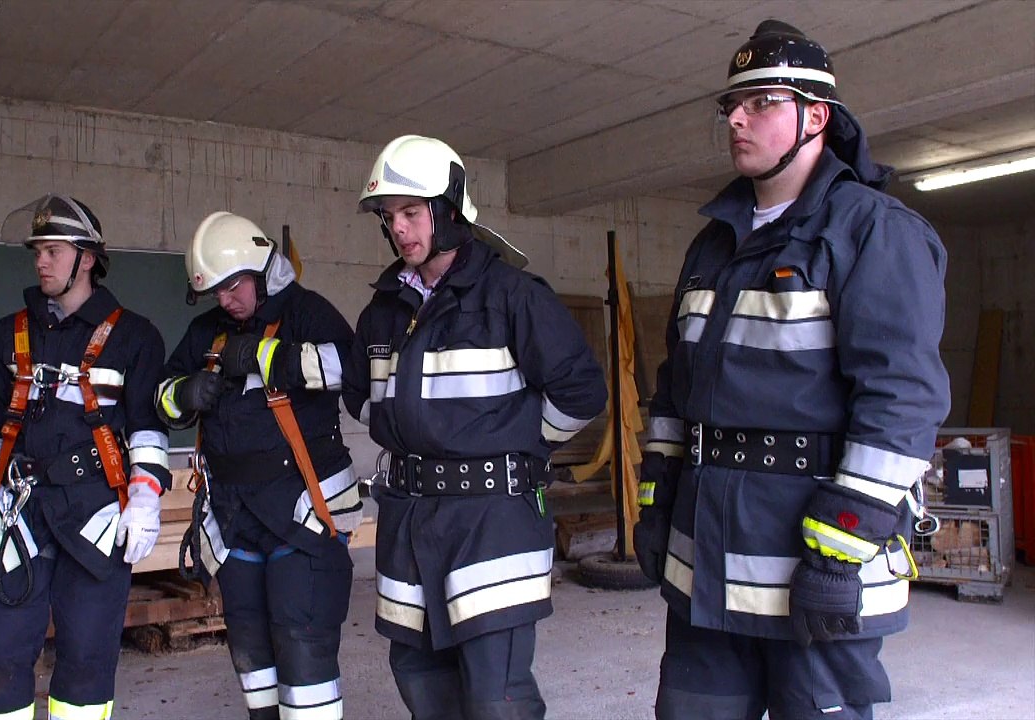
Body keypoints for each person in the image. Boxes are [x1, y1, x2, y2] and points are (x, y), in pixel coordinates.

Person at [633, 20, 950, 720]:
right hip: (705, 569)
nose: (737, 119)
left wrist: (839, 552)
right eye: (731, 108)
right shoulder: (712, 244)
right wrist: (657, 502)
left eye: (761, 102)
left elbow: (901, 404)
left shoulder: (872, 232)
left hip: (812, 571)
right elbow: (672, 392)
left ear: (817, 116)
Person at [342, 135, 607, 719]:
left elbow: (583, 392)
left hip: (492, 521)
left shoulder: (511, 296)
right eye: (389, 218)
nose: (400, 230)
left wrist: (518, 441)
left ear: (450, 207)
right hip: (408, 519)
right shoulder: (385, 307)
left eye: (411, 213)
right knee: (418, 677)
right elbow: (360, 394)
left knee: (497, 697)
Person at [0, 195, 170, 720]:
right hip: (19, 511)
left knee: (88, 657)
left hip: (96, 514)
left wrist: (144, 499)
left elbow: (147, 427)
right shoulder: (12, 333)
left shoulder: (134, 336)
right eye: (37, 253)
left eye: (53, 251)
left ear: (87, 258)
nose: (41, 262)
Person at [157, 210, 361, 719]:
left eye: (231, 287)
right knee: (248, 642)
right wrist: (184, 392)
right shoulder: (206, 330)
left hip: (301, 513)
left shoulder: (307, 312)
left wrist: (268, 358)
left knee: (302, 637)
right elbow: (158, 398)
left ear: (257, 267)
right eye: (215, 293)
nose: (225, 300)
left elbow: (354, 370)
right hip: (232, 516)